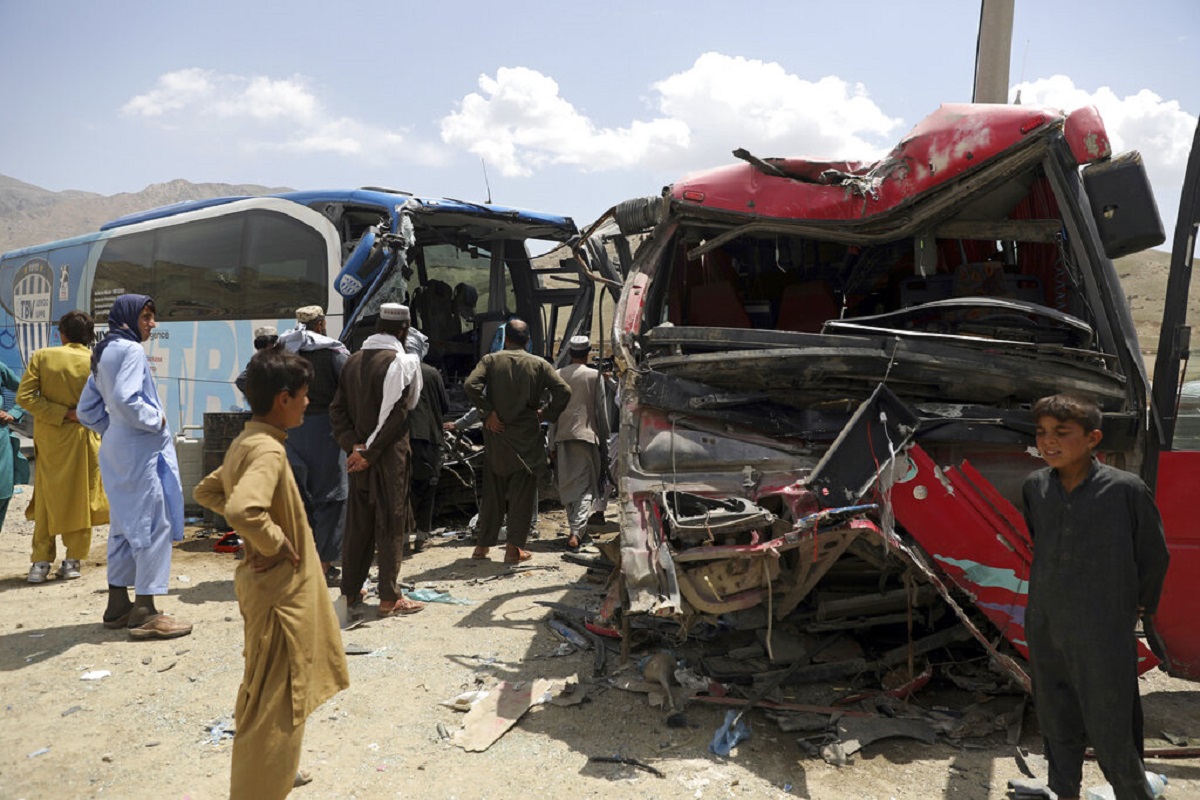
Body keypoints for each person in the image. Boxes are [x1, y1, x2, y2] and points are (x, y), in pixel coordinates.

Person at [194, 344, 349, 799]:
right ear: (284, 399)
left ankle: (280, 769)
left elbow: (208, 491)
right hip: (281, 598)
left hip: (267, 590)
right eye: (303, 395)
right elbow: (243, 508)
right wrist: (274, 540)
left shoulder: (248, 441)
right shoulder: (268, 452)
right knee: (276, 701)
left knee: (271, 693)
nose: (307, 402)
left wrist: (257, 536)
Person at [1022, 394, 1170, 800]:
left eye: (1061, 432)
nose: (1048, 441)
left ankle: (1131, 793)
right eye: (1041, 433)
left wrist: (1137, 606)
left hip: (1103, 626)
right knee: (1055, 716)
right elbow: (1040, 540)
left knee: (1111, 722)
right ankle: (1062, 791)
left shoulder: (1125, 490)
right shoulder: (1036, 487)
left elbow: (1154, 556)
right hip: (1046, 622)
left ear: (1093, 438)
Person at [78, 294, 191, 640]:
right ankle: (145, 612)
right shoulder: (131, 350)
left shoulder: (104, 350)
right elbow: (126, 398)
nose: (152, 324)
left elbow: (86, 410)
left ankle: (117, 606)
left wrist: (113, 429)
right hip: (139, 449)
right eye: (146, 317)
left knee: (124, 526)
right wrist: (156, 419)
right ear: (128, 318)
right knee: (152, 525)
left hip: (117, 447)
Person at [329, 302, 425, 619]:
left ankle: (350, 591)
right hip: (388, 458)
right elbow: (397, 416)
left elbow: (337, 411)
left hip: (357, 458)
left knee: (358, 526)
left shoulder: (352, 361)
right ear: (404, 330)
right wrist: (369, 454)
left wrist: (353, 448)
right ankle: (389, 597)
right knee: (390, 523)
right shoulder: (402, 363)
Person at [464, 318, 570, 563]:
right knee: (522, 497)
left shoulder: (490, 360)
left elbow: (471, 385)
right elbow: (564, 391)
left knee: (492, 495)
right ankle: (513, 549)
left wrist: (488, 412)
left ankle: (482, 547)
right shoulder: (540, 364)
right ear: (528, 340)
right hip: (526, 440)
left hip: (497, 438)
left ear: (506, 339)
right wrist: (546, 414)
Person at [18, 310, 108, 582]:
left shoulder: (42, 357)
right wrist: (80, 414)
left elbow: (24, 397)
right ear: (90, 335)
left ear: (62, 334)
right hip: (85, 440)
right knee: (82, 499)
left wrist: (61, 413)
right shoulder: (96, 360)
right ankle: (72, 562)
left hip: (51, 441)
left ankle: (40, 563)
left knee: (47, 499)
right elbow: (109, 400)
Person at [277, 306, 349, 586]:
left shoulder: (283, 354)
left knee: (298, 499)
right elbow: (350, 387)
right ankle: (323, 566)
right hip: (326, 434)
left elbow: (248, 380)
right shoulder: (333, 353)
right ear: (320, 324)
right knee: (331, 498)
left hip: (291, 433)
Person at [550, 335, 609, 551]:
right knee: (585, 487)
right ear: (588, 353)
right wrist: (604, 440)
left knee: (568, 486)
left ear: (570, 353)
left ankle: (576, 529)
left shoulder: (557, 375)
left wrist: (550, 443)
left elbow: (553, 413)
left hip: (562, 437)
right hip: (587, 437)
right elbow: (601, 412)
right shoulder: (594, 376)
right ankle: (576, 532)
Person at [408, 352, 449, 554]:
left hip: (401, 439)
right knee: (427, 490)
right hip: (430, 439)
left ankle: (402, 538)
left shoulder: (396, 370)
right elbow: (445, 406)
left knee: (404, 491)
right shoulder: (432, 373)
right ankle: (421, 538)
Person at [234, 325, 279, 398]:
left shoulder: (279, 360)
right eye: (272, 342)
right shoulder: (259, 362)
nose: (274, 346)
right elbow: (241, 380)